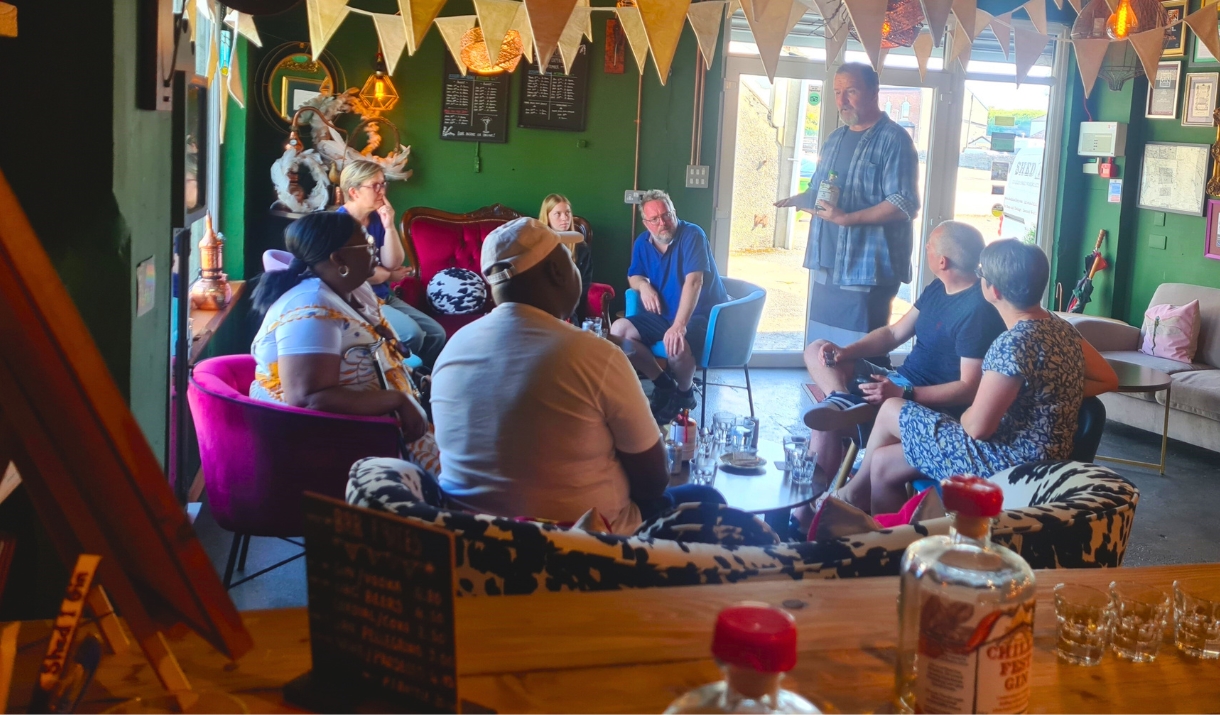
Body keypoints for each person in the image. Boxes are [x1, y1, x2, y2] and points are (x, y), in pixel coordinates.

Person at [431, 217, 724, 534]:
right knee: (707, 497)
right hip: (586, 548)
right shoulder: (595, 356)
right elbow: (653, 482)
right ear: (557, 272)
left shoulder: (451, 350)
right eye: (567, 259)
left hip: (474, 539)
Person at [834, 240, 1117, 515]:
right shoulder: (1062, 328)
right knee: (883, 463)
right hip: (1048, 459)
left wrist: (971, 412)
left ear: (992, 289)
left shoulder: (1011, 344)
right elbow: (1108, 379)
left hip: (1007, 464)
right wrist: (1048, 390)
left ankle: (849, 497)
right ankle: (892, 542)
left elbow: (977, 429)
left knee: (892, 408)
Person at [799, 221, 1006, 479]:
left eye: (929, 246)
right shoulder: (938, 288)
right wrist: (845, 351)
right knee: (816, 350)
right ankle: (843, 399)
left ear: (943, 261)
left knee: (826, 426)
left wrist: (902, 392)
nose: (926, 248)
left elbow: (969, 388)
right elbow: (894, 333)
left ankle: (805, 514)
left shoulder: (978, 310)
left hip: (922, 403)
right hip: (899, 382)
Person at [775, 63, 920, 360]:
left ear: (873, 94)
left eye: (850, 92)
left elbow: (904, 203)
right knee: (824, 351)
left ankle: (863, 406)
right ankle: (835, 401)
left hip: (866, 268)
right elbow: (821, 190)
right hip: (825, 262)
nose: (841, 101)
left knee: (860, 356)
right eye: (837, 92)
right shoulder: (834, 139)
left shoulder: (894, 139)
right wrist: (802, 198)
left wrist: (847, 219)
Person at [249, 211, 427, 442]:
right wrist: (397, 400)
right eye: (367, 243)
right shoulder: (311, 308)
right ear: (339, 259)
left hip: (379, 427)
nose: (374, 249)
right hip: (328, 442)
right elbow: (308, 398)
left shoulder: (355, 288)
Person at [610, 190, 729, 423]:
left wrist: (679, 326)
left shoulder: (692, 234)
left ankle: (685, 394)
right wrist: (644, 287)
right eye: (654, 219)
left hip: (699, 313)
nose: (662, 223)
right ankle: (663, 384)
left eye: (666, 215)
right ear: (646, 223)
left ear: (674, 213)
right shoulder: (642, 243)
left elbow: (694, 282)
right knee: (618, 332)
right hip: (663, 313)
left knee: (673, 342)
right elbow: (634, 275)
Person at [337, 160, 446, 368]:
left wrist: (389, 225)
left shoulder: (377, 218)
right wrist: (388, 275)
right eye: (374, 185)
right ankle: (397, 379)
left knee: (436, 334)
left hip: (384, 296)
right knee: (412, 335)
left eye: (383, 183)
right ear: (354, 192)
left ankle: (422, 378)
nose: (382, 190)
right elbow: (366, 273)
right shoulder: (340, 224)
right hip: (360, 302)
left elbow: (393, 262)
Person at [539, 193, 595, 321]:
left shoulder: (581, 247)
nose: (565, 218)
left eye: (568, 213)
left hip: (569, 305)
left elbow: (584, 284)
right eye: (558, 214)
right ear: (547, 217)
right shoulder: (537, 244)